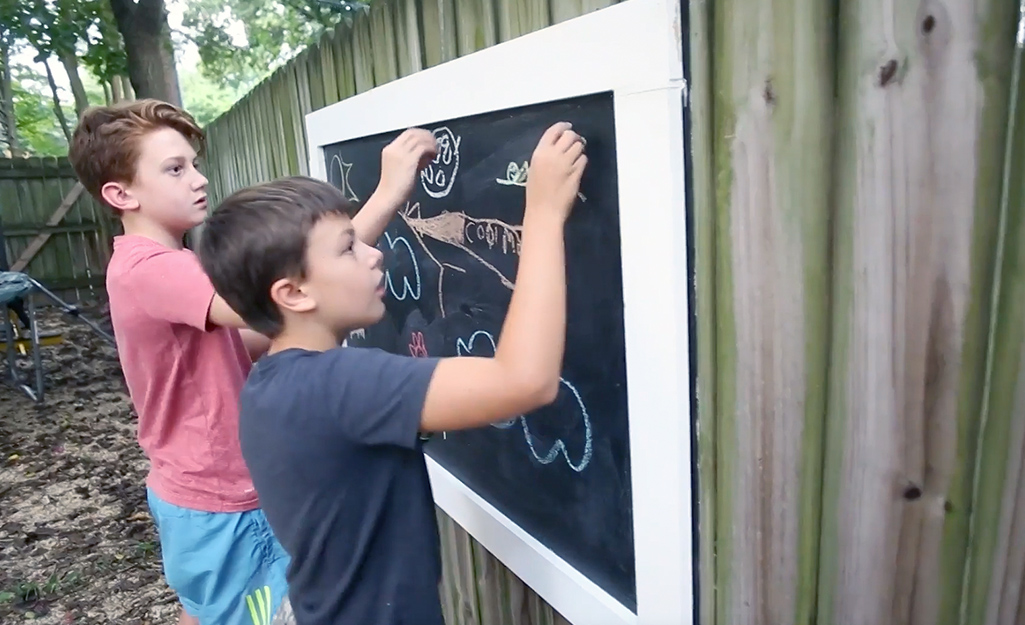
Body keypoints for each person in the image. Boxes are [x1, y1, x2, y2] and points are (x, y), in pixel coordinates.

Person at [196, 121, 587, 625]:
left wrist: (389, 192)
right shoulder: (338, 386)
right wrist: (543, 212)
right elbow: (525, 380)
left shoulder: (274, 382)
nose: (374, 252)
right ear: (292, 293)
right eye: (348, 248)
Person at [67, 98, 438, 625]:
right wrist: (389, 194)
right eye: (174, 169)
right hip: (222, 498)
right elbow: (292, 291)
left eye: (193, 164)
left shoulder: (170, 268)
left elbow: (250, 339)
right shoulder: (149, 269)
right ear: (120, 194)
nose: (197, 179)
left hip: (202, 494)